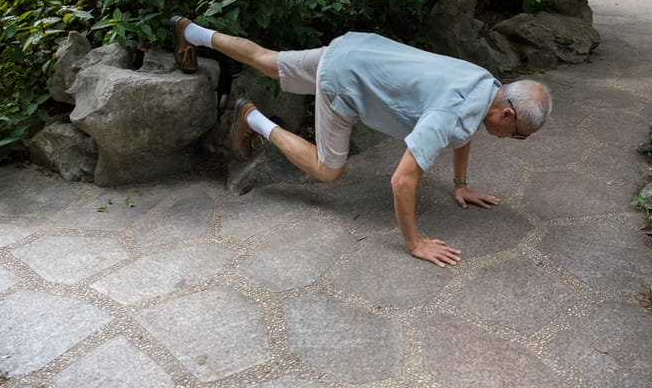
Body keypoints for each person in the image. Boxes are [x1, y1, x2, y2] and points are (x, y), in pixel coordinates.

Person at [170, 16, 552, 267]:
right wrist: (415, 243)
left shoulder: (486, 84)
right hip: (345, 81)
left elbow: (466, 129)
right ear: (508, 115)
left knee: (267, 60)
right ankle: (251, 118)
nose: (511, 140)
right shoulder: (452, 114)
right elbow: (402, 182)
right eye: (518, 136)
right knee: (327, 169)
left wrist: (461, 184)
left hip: (356, 50)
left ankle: (190, 32)